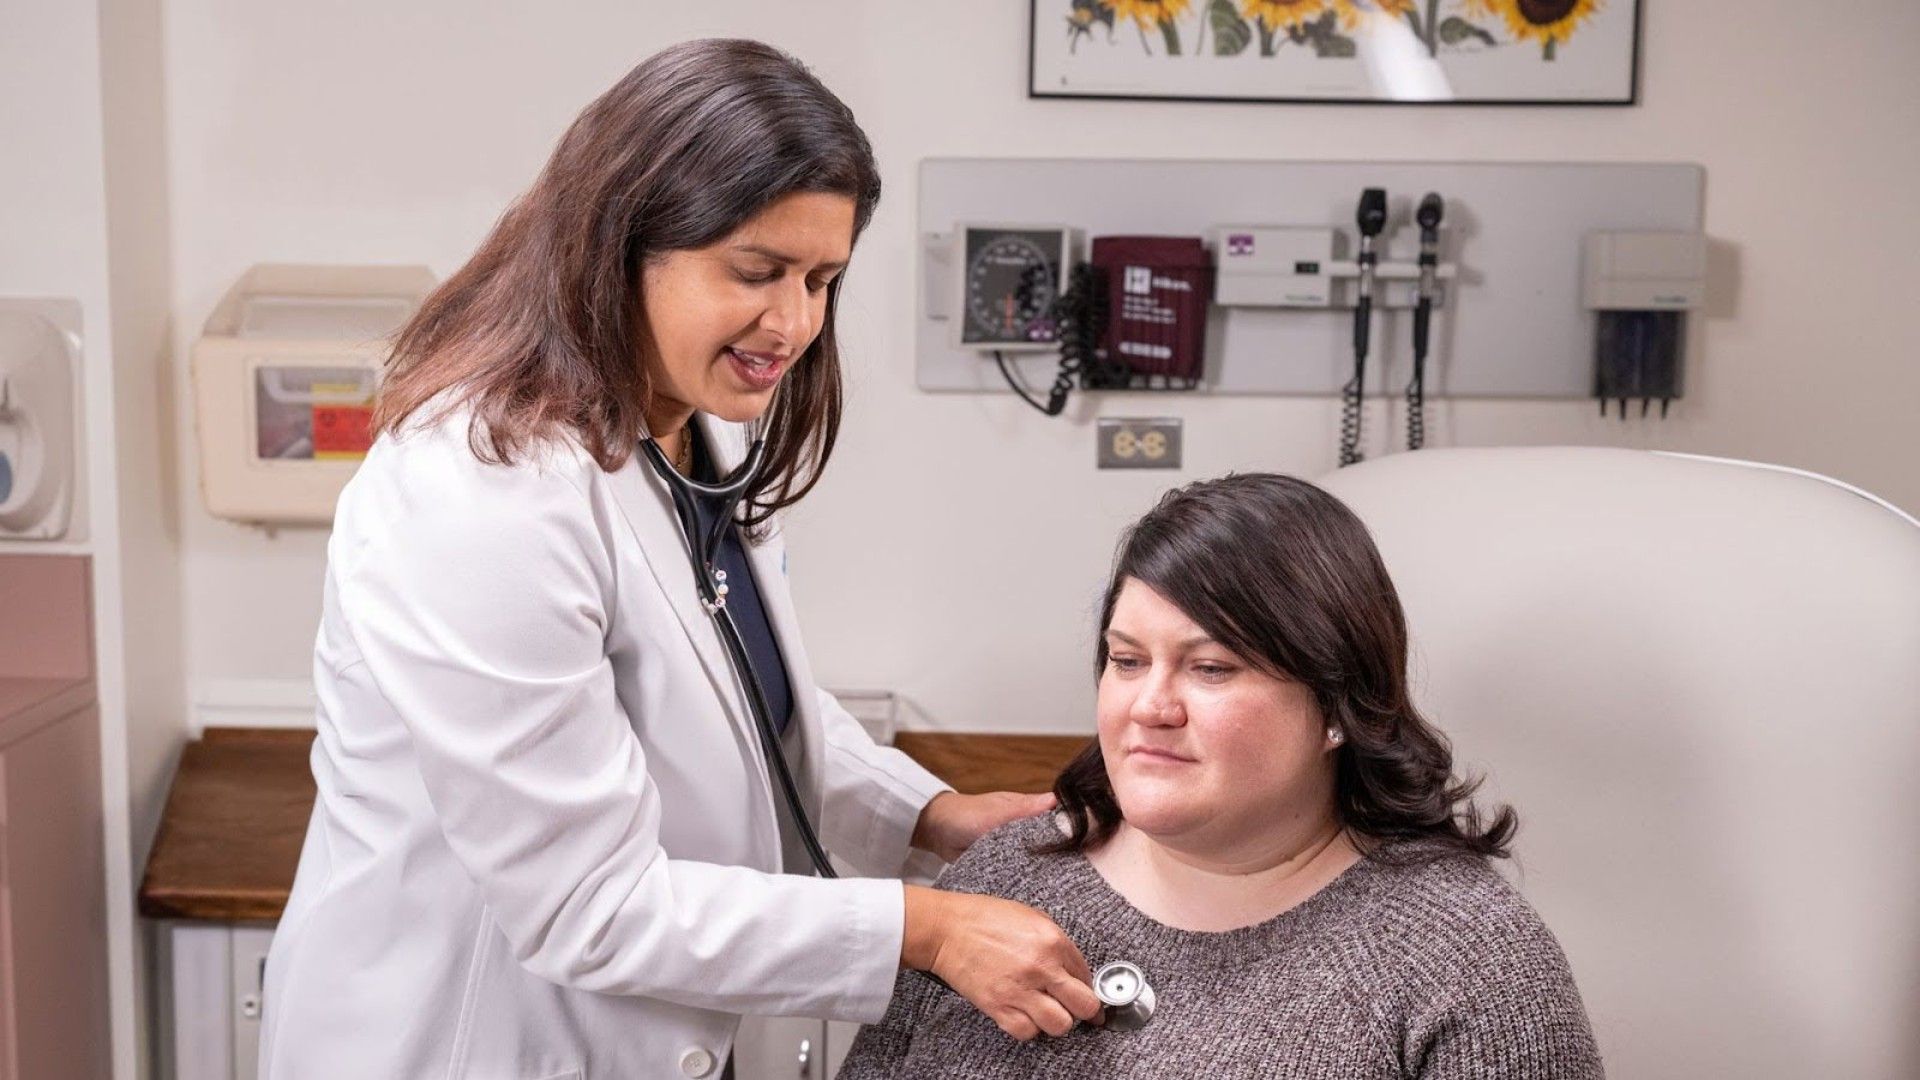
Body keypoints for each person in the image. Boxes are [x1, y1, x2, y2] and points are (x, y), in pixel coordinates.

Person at [258, 38, 1102, 1080]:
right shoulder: (479, 494)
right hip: (462, 1045)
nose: (792, 323)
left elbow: (745, 704)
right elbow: (590, 907)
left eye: (822, 280)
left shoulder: (698, 430)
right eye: (756, 272)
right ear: (619, 246)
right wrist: (921, 930)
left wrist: (928, 814)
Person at [841, 473, 1605, 1079]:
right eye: (1127, 660)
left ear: (1339, 707)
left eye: (1210, 669)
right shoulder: (1003, 878)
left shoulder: (1468, 961)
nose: (1150, 706)